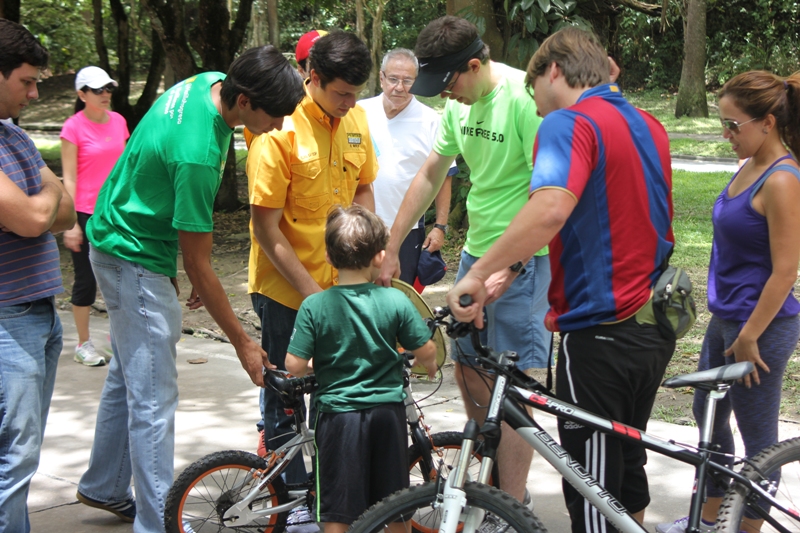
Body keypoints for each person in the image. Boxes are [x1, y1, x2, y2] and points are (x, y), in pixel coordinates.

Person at [447, 27, 675, 533]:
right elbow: (601, 216)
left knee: (591, 487)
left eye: (535, 92)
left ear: (554, 71)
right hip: (653, 326)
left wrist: (479, 271)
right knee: (626, 473)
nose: (538, 107)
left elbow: (550, 207)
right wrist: (514, 266)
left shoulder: (570, 122)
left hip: (598, 332)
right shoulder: (648, 124)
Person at [76, 46, 304, 531]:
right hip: (131, 256)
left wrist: (179, 264)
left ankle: (104, 484)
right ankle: (157, 523)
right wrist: (244, 342)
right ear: (243, 101)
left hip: (121, 238)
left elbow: (180, 228)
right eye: (275, 115)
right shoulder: (199, 152)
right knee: (154, 398)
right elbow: (202, 263)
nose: (280, 127)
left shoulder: (210, 82)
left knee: (129, 375)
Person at [375, 15, 550, 505]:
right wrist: (392, 246)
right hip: (476, 254)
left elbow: (548, 197)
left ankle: (510, 504)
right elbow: (430, 171)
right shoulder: (458, 106)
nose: (443, 96)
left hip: (525, 260)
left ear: (474, 65)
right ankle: (491, 477)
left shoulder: (525, 100)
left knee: (512, 390)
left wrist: (510, 267)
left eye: (447, 83)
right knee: (469, 370)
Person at [657, 71, 800, 533]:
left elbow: (785, 271)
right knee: (708, 414)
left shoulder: (783, 179)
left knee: (759, 439)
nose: (725, 135)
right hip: (727, 320)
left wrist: (750, 335)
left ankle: (746, 528)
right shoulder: (750, 165)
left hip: (762, 327)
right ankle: (709, 519)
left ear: (768, 122)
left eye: (733, 125)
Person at [245, 31, 376, 525]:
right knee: (285, 401)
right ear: (312, 78)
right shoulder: (277, 129)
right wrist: (314, 297)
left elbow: (363, 190)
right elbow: (266, 229)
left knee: (337, 398)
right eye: (341, 92)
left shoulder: (355, 118)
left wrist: (373, 257)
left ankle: (330, 495)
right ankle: (291, 501)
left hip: (341, 291)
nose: (350, 103)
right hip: (286, 292)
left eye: (356, 93)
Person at [285, 205, 438, 533]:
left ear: (328, 257)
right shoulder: (395, 301)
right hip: (387, 415)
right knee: (396, 504)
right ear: (380, 257)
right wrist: (431, 367)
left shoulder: (315, 306)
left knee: (337, 509)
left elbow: (294, 365)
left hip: (338, 418)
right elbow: (426, 348)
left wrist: (313, 362)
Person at [0, 19, 77, 533]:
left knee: (19, 458)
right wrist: (45, 193)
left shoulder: (13, 135)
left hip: (39, 316)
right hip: (9, 323)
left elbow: (67, 213)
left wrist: (43, 197)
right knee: (14, 460)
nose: (34, 92)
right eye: (26, 81)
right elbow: (32, 219)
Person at [358, 48, 457, 290]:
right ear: (381, 77)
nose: (399, 87)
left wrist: (440, 226)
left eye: (407, 80)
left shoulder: (431, 121)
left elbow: (444, 177)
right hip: (359, 225)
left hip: (407, 230)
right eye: (393, 79)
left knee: (398, 296)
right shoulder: (358, 112)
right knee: (359, 295)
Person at [60, 66, 129, 367]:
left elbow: (124, 169)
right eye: (98, 90)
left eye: (108, 88)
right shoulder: (72, 128)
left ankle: (119, 339)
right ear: (82, 94)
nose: (105, 94)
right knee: (86, 280)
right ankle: (83, 344)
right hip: (86, 213)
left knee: (121, 277)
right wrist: (72, 223)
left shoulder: (119, 121)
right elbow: (69, 178)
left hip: (114, 213)